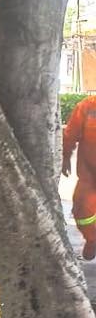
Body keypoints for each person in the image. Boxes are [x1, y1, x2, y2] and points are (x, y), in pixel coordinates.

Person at [63, 94, 96, 259]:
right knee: (82, 209)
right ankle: (92, 239)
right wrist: (65, 156)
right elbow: (70, 134)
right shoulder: (87, 107)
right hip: (89, 174)